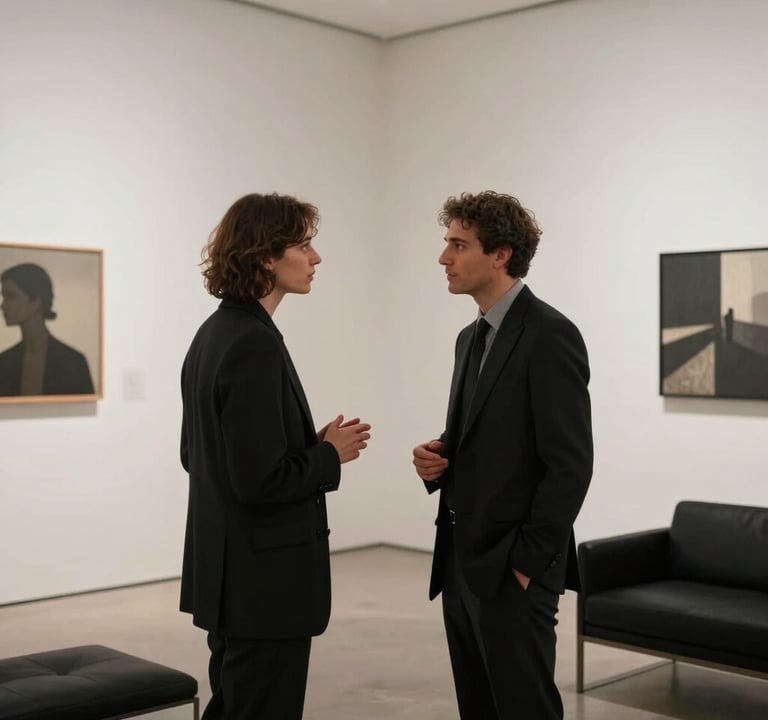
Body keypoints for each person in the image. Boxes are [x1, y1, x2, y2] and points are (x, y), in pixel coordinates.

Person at [179, 192, 371, 720]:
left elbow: (198, 454)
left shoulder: (212, 334)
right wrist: (329, 456)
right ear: (266, 255)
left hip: (229, 579)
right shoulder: (253, 343)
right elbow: (258, 481)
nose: (316, 258)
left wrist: (306, 443)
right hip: (264, 585)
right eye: (304, 245)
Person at [412, 191, 593, 720]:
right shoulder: (470, 338)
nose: (444, 257)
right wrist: (435, 457)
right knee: (479, 707)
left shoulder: (551, 335)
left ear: (501, 254)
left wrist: (527, 564)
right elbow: (475, 436)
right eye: (447, 243)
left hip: (513, 566)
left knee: (524, 708)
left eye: (458, 244)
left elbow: (570, 464)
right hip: (461, 559)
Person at [0, 263, 95, 396]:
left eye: (11, 296)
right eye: (3, 297)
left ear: (35, 301)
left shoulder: (73, 362)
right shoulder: (5, 361)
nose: (3, 305)